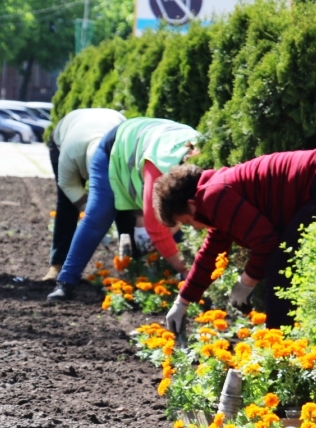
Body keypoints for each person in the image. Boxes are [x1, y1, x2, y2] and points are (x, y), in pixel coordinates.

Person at [153, 148, 316, 331]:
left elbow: (266, 241)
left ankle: (280, 357)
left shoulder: (213, 195)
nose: (196, 227)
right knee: (293, 261)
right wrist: (182, 301)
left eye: (189, 222)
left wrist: (246, 282)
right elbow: (211, 252)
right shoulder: (214, 193)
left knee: (280, 265)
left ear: (191, 205)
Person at [47, 117, 200, 302]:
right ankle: (65, 283)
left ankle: (157, 274)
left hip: (152, 138)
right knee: (98, 217)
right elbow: (155, 227)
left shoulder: (208, 165)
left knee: (179, 218)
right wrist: (186, 271)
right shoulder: (160, 168)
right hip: (113, 150)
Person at [44, 108, 126, 281]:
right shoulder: (70, 152)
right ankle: (57, 265)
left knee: (125, 204)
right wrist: (93, 214)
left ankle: (131, 263)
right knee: (66, 206)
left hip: (108, 126)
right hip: (65, 136)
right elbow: (67, 184)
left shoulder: (124, 150)